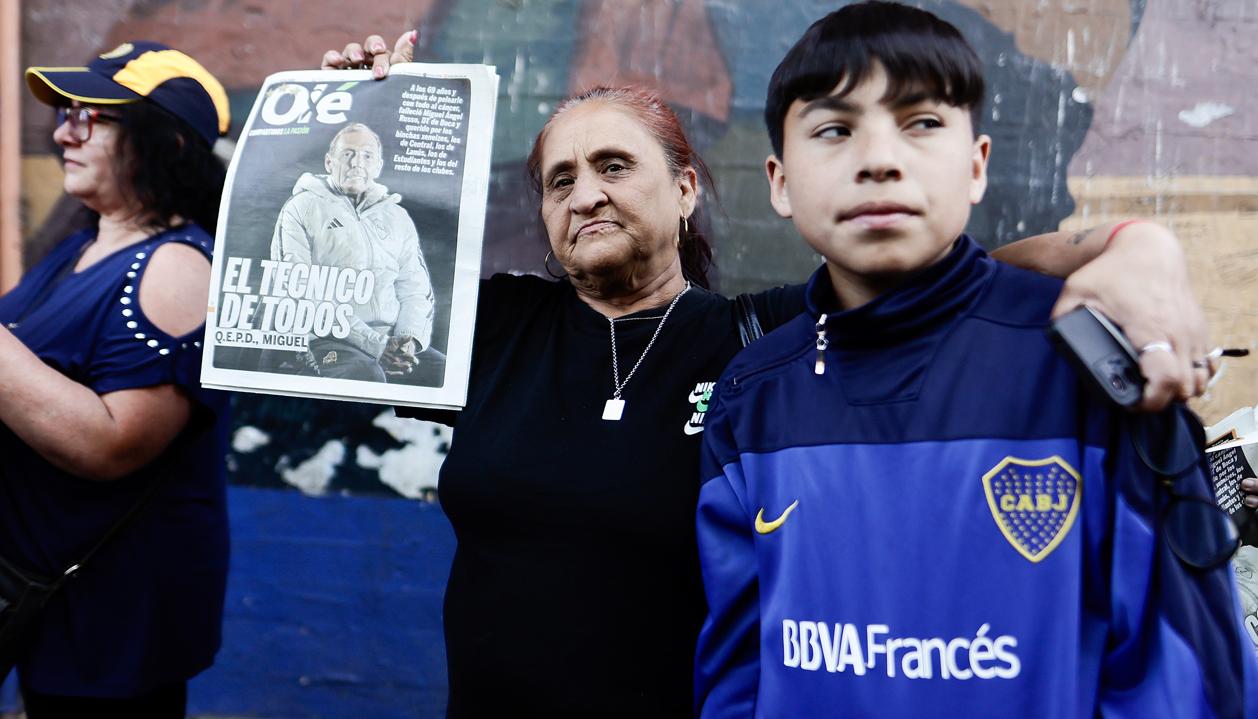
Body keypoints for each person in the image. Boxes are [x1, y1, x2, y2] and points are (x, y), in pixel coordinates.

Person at [328, 34, 1221, 717]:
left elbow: (974, 271)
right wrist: (353, 110)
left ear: (685, 190)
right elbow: (338, 279)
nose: (584, 194)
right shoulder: (497, 329)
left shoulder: (768, 345)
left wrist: (1134, 249)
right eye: (559, 181)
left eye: (612, 166)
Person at [693, 3, 1256, 717]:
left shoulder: (1087, 359)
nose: (879, 159)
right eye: (834, 129)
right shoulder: (753, 393)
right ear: (778, 180)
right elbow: (739, 673)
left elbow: (1184, 677)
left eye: (922, 122)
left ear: (978, 165)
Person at [0, 41, 231, 717]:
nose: (63, 130)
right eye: (66, 111)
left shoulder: (177, 266)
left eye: (91, 117)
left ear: (169, 142)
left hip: (112, 611)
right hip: (51, 593)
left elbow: (113, 442)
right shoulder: (84, 243)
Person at [270, 121, 442, 384]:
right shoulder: (301, 208)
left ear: (378, 166)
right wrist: (375, 344)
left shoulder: (397, 216)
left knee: (446, 374)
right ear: (329, 162)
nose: (356, 162)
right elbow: (298, 289)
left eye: (367, 155)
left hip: (391, 340)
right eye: (347, 154)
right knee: (365, 375)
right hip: (328, 340)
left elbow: (415, 289)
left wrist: (408, 339)